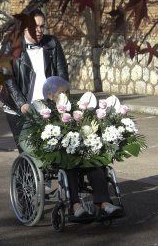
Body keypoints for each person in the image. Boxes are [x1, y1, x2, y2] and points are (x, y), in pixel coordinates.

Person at [42, 76, 125, 220]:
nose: (66, 96)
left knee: (97, 163)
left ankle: (104, 203)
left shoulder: (75, 108)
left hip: (79, 149)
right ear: (50, 94)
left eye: (67, 92)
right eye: (62, 93)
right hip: (59, 154)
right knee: (69, 166)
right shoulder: (42, 111)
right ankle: (75, 206)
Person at [0, 8, 69, 151]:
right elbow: (7, 77)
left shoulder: (52, 44)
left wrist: (61, 99)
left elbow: (62, 74)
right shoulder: (10, 45)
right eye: (34, 26)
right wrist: (21, 103)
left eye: (41, 26)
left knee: (51, 149)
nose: (38, 30)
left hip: (46, 105)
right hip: (19, 106)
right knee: (28, 150)